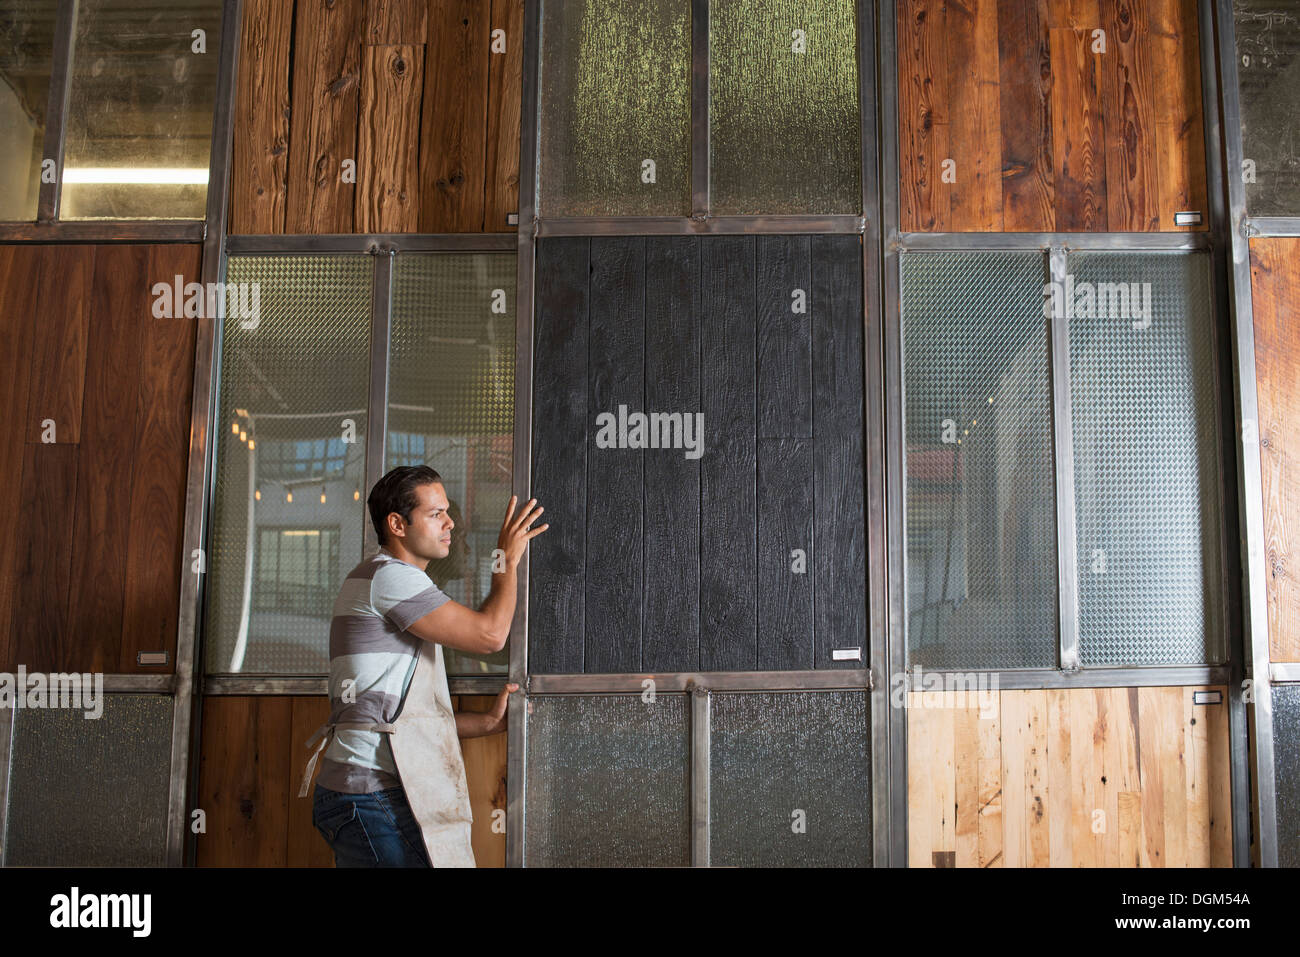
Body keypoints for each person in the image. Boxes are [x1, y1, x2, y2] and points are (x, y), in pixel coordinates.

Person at [302, 465, 547, 866]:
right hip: (372, 794)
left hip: (368, 793)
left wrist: (486, 722)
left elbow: (404, 720)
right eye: (436, 514)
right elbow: (490, 636)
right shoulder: (390, 578)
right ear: (397, 524)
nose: (451, 522)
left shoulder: (389, 580)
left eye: (447, 511)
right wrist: (507, 559)